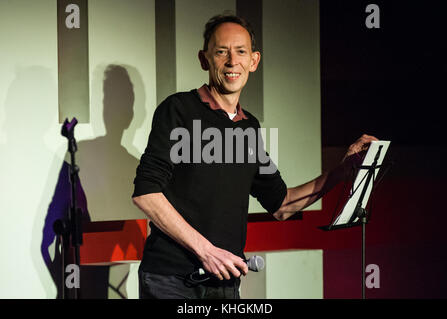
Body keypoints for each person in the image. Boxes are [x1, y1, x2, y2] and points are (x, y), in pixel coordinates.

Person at [132, 14, 377, 299]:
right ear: (204, 59)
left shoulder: (248, 127)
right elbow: (146, 193)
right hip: (171, 280)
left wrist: (342, 170)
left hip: (224, 281)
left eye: (240, 52)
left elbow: (282, 205)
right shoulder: (178, 109)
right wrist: (207, 251)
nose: (232, 61)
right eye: (221, 52)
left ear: (254, 61)